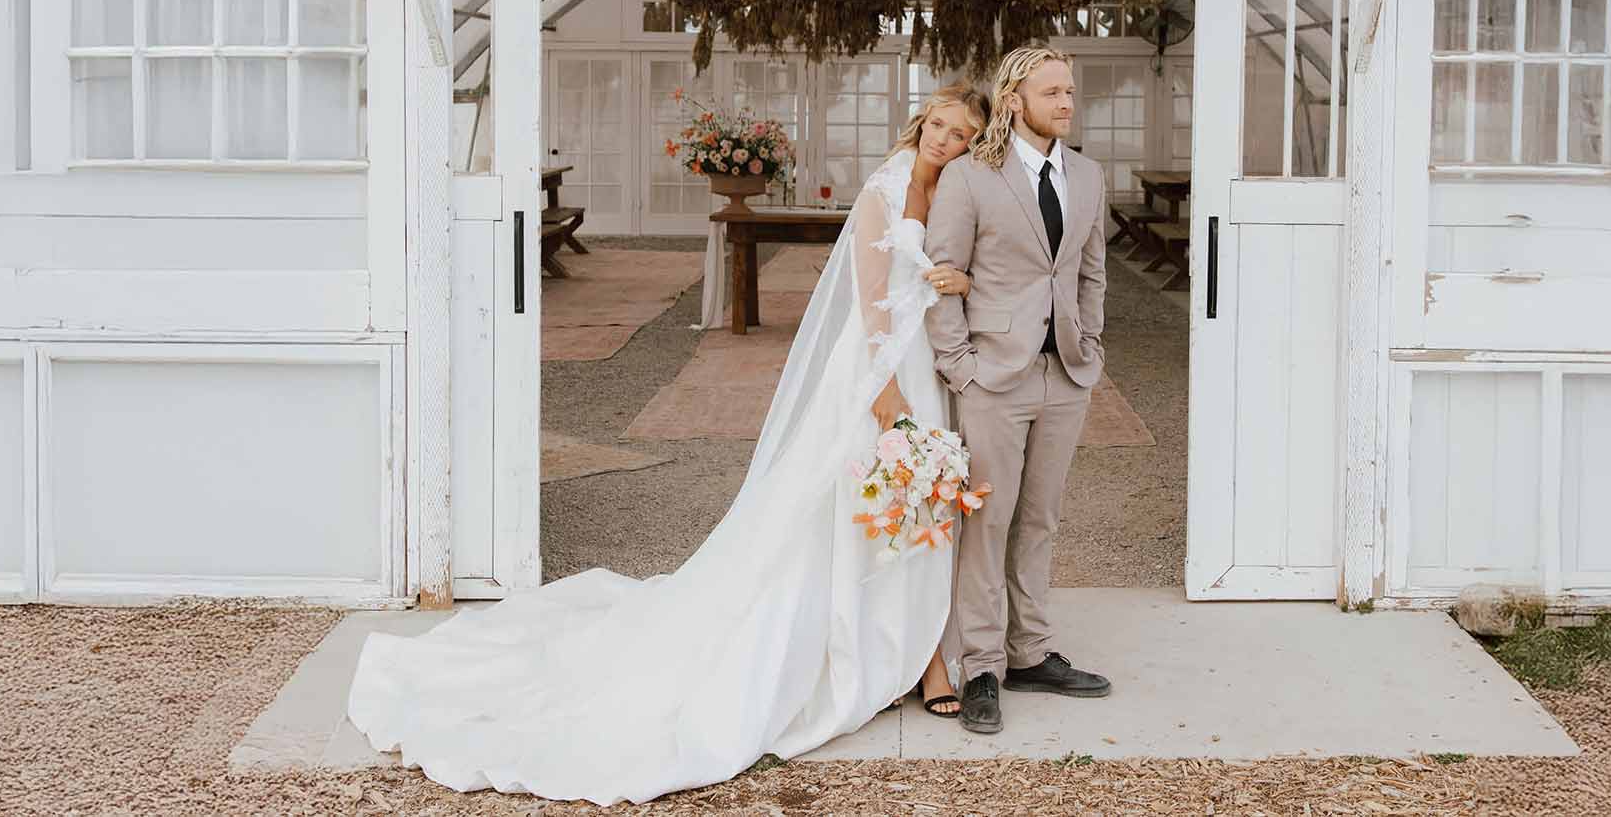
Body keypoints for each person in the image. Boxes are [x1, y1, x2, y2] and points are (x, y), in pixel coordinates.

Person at [343, 83, 994, 803]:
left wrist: (959, 281)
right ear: (921, 122)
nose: (944, 140)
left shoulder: (956, 189)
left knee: (919, 502)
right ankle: (886, 650)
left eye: (960, 134)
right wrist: (884, 390)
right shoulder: (883, 190)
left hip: (924, 361)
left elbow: (947, 272)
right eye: (938, 125)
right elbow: (872, 300)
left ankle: (918, 650)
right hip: (880, 364)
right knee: (859, 502)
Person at [922, 46, 1113, 736]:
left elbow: (1090, 272)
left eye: (1070, 91)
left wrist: (1089, 347)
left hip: (1065, 373)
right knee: (988, 521)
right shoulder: (970, 176)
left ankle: (1029, 651)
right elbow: (942, 271)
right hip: (993, 376)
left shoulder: (1088, 176)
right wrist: (960, 366)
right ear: (1014, 101)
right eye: (1052, 92)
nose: (1066, 103)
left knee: (1041, 518)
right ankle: (981, 665)